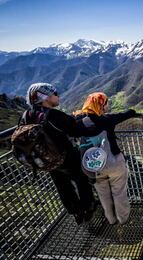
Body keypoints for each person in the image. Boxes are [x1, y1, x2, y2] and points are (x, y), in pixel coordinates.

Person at [22, 83, 97, 224]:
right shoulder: (54, 115)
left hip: (45, 159)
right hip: (65, 156)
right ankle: (88, 207)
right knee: (81, 179)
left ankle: (76, 211)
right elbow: (76, 130)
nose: (58, 96)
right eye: (55, 93)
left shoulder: (28, 114)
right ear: (45, 97)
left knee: (62, 185)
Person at [74, 92, 136, 225]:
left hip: (93, 167)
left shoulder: (78, 123)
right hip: (114, 163)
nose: (108, 105)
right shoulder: (107, 119)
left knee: (103, 194)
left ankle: (111, 220)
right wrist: (132, 111)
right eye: (106, 103)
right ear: (101, 105)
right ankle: (123, 219)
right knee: (119, 192)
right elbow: (128, 113)